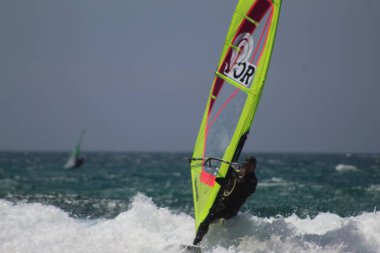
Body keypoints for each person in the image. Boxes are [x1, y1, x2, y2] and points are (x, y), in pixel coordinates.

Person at [193, 156, 258, 245]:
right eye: (245, 165)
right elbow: (223, 179)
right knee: (206, 222)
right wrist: (229, 170)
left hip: (230, 209)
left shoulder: (252, 180)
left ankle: (196, 244)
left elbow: (240, 186)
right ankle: (198, 244)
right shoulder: (238, 172)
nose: (246, 167)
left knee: (208, 220)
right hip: (221, 204)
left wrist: (235, 176)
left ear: (253, 167)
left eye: (249, 166)